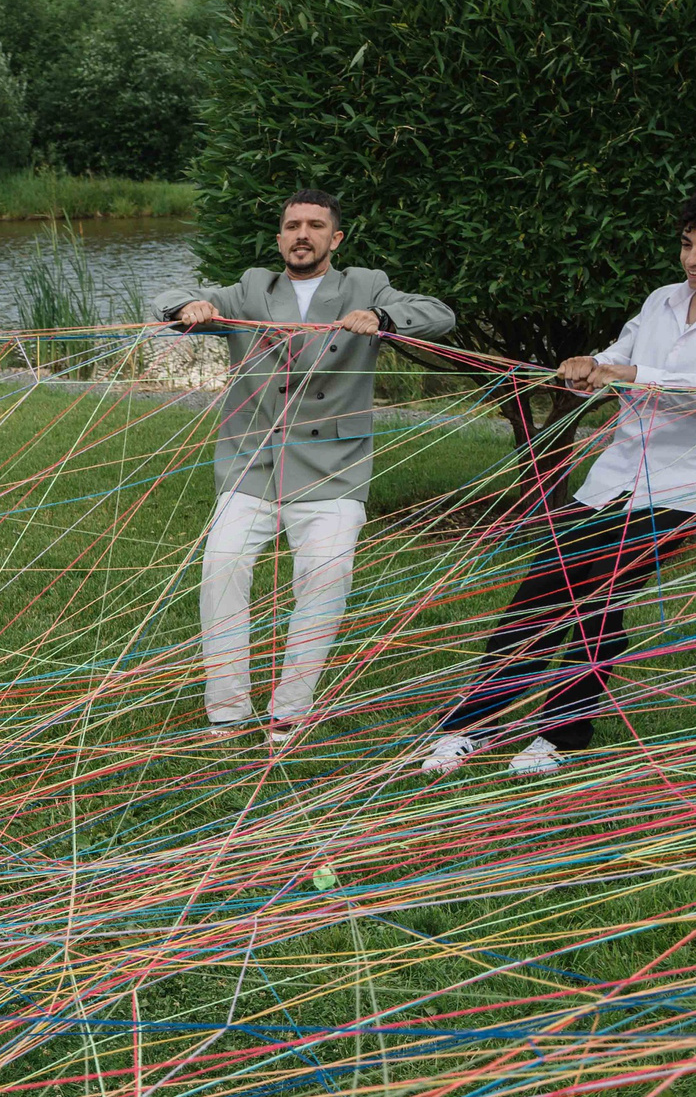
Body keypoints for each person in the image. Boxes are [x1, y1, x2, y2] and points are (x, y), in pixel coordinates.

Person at [156, 189, 456, 745]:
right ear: (279, 238)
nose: (302, 234)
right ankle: (226, 710)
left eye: (315, 226)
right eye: (292, 225)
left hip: (334, 467)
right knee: (220, 570)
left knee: (324, 579)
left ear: (335, 239)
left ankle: (289, 710)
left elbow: (440, 315)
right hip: (251, 464)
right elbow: (174, 296)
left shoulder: (366, 285)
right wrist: (185, 309)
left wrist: (383, 316)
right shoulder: (251, 287)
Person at [424, 197, 696, 776]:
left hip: (681, 493)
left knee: (599, 598)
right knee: (536, 595)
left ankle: (560, 735)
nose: (693, 259)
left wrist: (632, 374)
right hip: (610, 482)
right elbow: (615, 358)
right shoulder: (661, 302)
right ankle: (473, 725)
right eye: (689, 244)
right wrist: (586, 366)